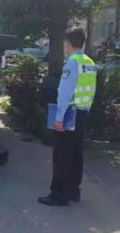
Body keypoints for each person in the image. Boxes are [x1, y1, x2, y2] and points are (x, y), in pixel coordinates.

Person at [39, 28, 97, 206]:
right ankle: (73, 191)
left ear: (69, 44)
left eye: (65, 44)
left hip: (68, 114)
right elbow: (92, 91)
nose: (64, 47)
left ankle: (58, 194)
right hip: (82, 113)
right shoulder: (89, 62)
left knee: (61, 155)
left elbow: (64, 93)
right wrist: (85, 110)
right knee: (76, 154)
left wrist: (58, 118)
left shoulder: (72, 63)